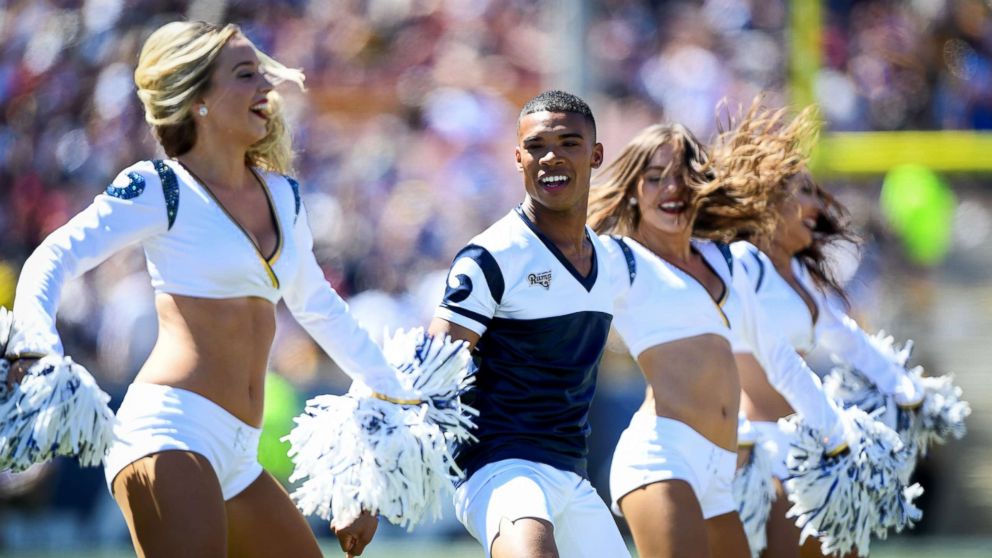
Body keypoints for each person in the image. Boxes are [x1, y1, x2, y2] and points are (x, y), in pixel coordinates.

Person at [6, 21, 414, 558]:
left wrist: (394, 409)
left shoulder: (285, 197)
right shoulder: (160, 188)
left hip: (240, 456)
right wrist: (37, 346)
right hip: (168, 432)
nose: (267, 87)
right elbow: (54, 256)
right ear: (197, 99)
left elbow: (321, 310)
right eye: (246, 75)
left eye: (265, 73)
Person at [587, 113, 857, 558]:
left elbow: (781, 361)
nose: (671, 189)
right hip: (661, 457)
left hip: (722, 468)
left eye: (683, 177)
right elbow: (552, 276)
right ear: (635, 192)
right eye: (654, 178)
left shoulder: (728, 261)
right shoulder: (621, 260)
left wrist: (839, 438)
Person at [428, 90, 631, 558]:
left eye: (569, 143)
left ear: (596, 154)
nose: (551, 157)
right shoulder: (492, 255)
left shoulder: (609, 258)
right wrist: (369, 484)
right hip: (499, 468)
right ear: (517, 157)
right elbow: (427, 370)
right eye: (536, 146)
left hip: (570, 474)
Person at [728, 115, 923, 557]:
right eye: (805, 193)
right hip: (754, 448)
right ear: (769, 200)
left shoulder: (799, 272)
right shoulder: (741, 263)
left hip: (811, 442)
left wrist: (907, 389)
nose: (818, 208)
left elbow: (847, 339)